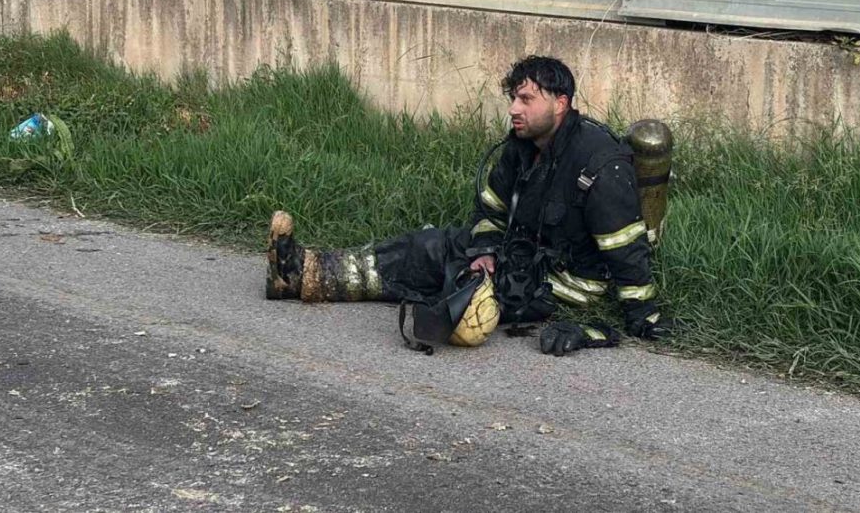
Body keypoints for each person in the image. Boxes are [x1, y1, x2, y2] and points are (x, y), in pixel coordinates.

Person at [266, 56, 677, 355]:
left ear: (561, 103)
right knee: (433, 245)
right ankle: (304, 273)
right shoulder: (520, 148)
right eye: (514, 99)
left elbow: (627, 252)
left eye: (527, 99)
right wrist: (484, 251)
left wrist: (640, 318)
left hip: (566, 286)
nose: (515, 109)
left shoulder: (599, 165)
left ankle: (310, 277)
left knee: (448, 280)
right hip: (519, 258)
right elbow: (490, 212)